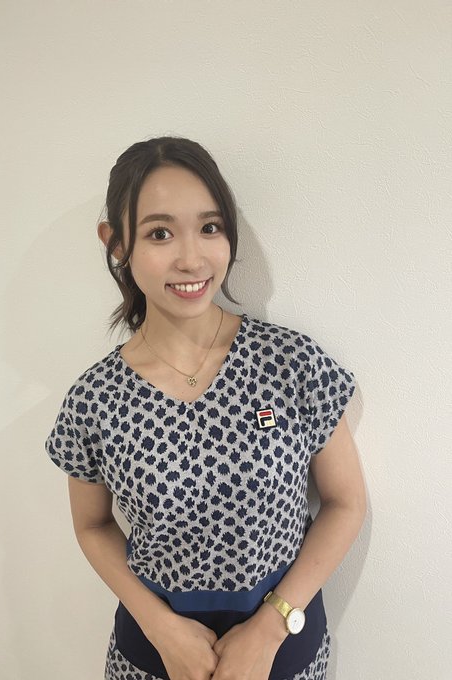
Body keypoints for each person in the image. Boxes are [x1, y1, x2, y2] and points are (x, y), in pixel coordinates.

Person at [45, 136, 366, 680]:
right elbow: (92, 525)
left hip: (283, 653)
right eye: (160, 233)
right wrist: (160, 627)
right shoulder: (94, 399)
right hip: (152, 658)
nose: (191, 258)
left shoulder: (290, 364)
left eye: (210, 228)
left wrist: (270, 628)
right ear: (116, 243)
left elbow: (345, 503)